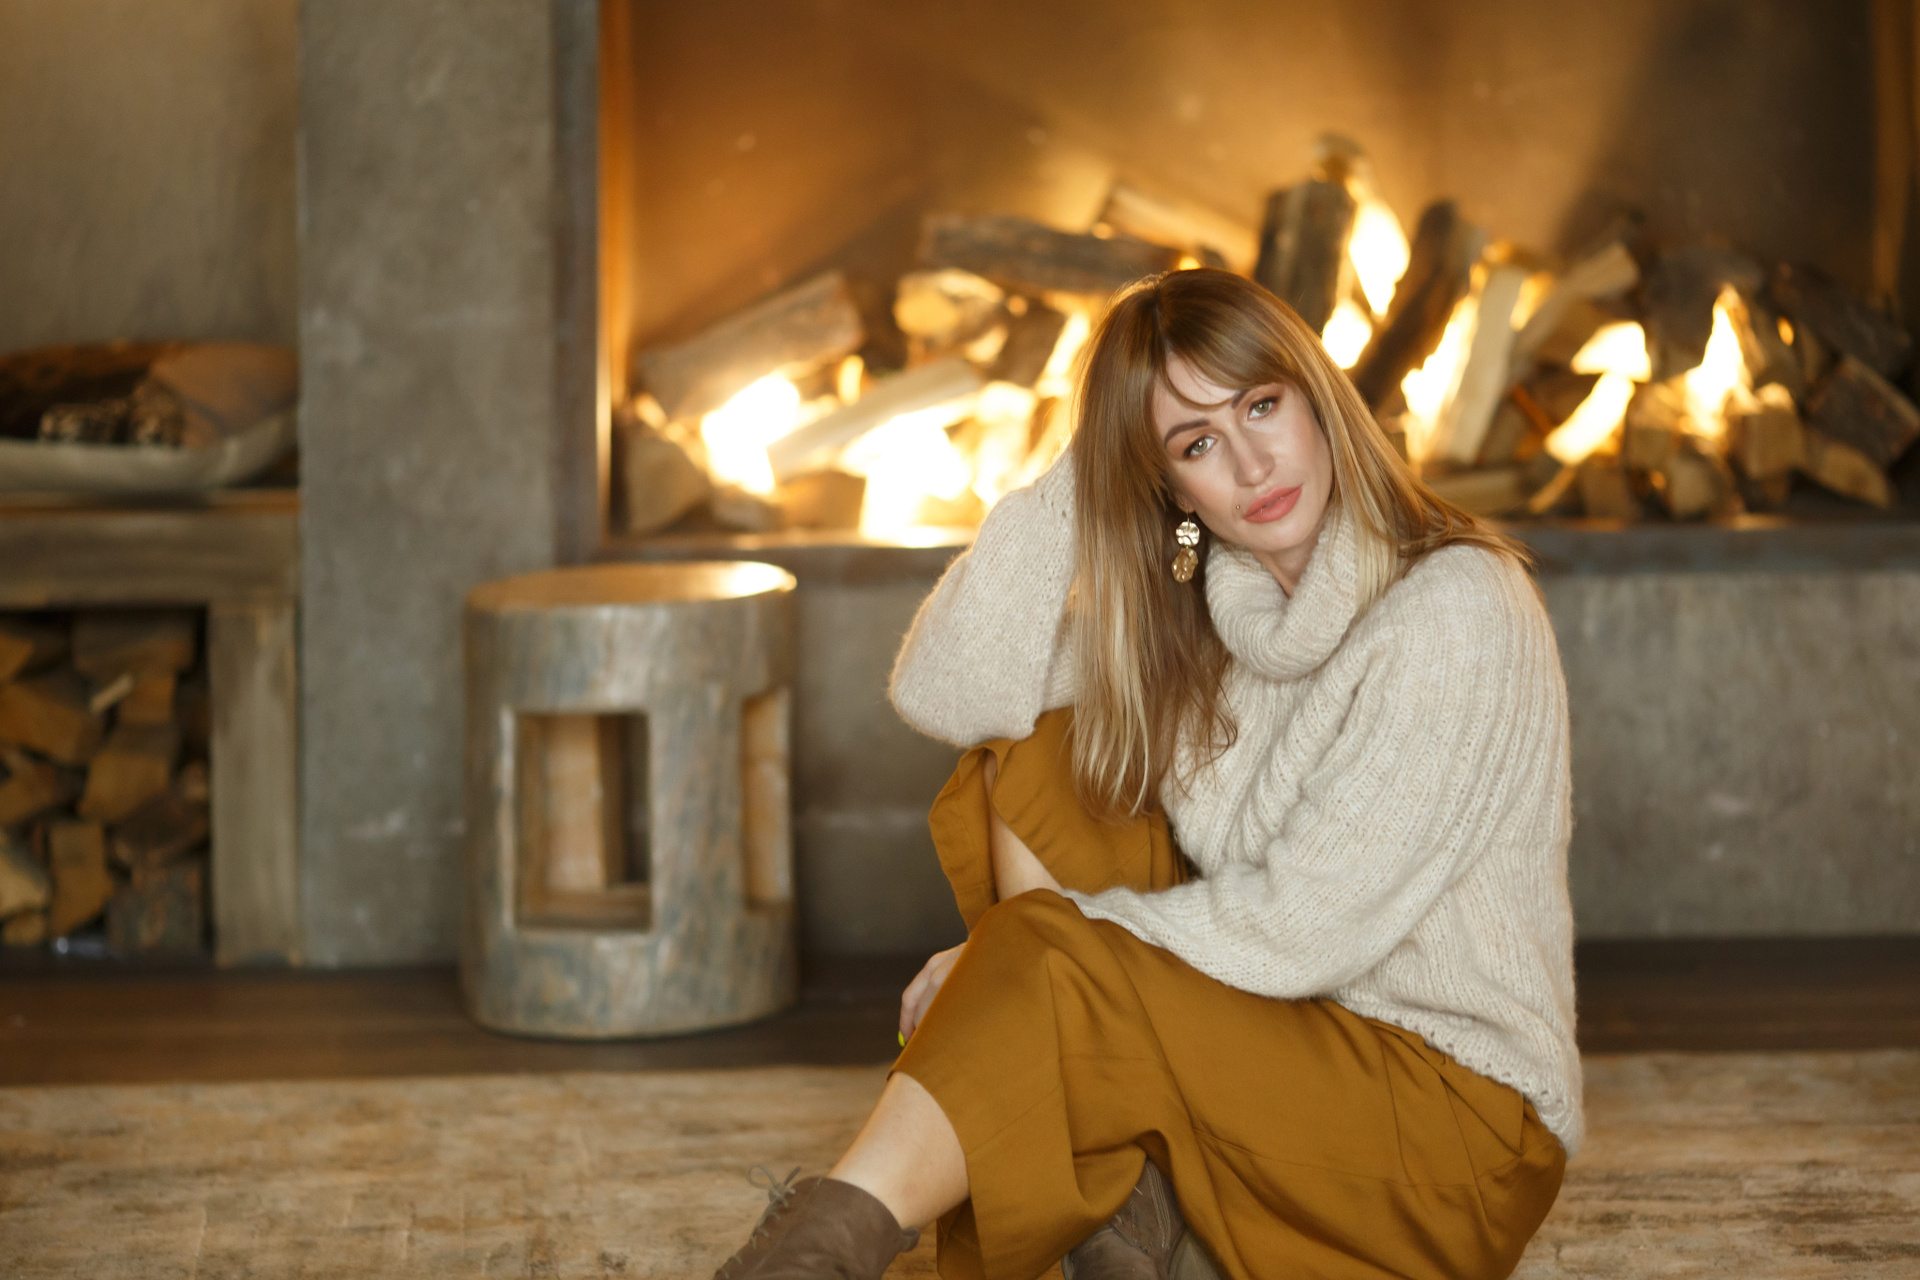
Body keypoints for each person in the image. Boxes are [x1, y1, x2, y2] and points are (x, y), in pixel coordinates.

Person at [711, 268, 1580, 1280]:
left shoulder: (1458, 606)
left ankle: (816, 1254)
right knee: (1036, 749)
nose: (1251, 463)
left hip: (1450, 1132)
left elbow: (1304, 927)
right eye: (1196, 444)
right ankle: (1127, 1205)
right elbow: (953, 691)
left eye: (1262, 406)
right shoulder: (1208, 614)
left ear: (1316, 399)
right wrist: (1089, 465)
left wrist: (1027, 958)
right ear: (1170, 488)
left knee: (1046, 949)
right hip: (1277, 1056)